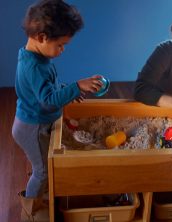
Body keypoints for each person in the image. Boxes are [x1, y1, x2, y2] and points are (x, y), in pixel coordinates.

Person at [11, 0, 102, 221]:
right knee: (42, 170)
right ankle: (30, 210)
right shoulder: (34, 66)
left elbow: (50, 89)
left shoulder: (38, 57)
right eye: (60, 45)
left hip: (39, 122)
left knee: (42, 164)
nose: (62, 51)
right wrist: (76, 86)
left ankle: (40, 179)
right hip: (33, 127)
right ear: (42, 37)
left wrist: (69, 91)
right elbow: (48, 101)